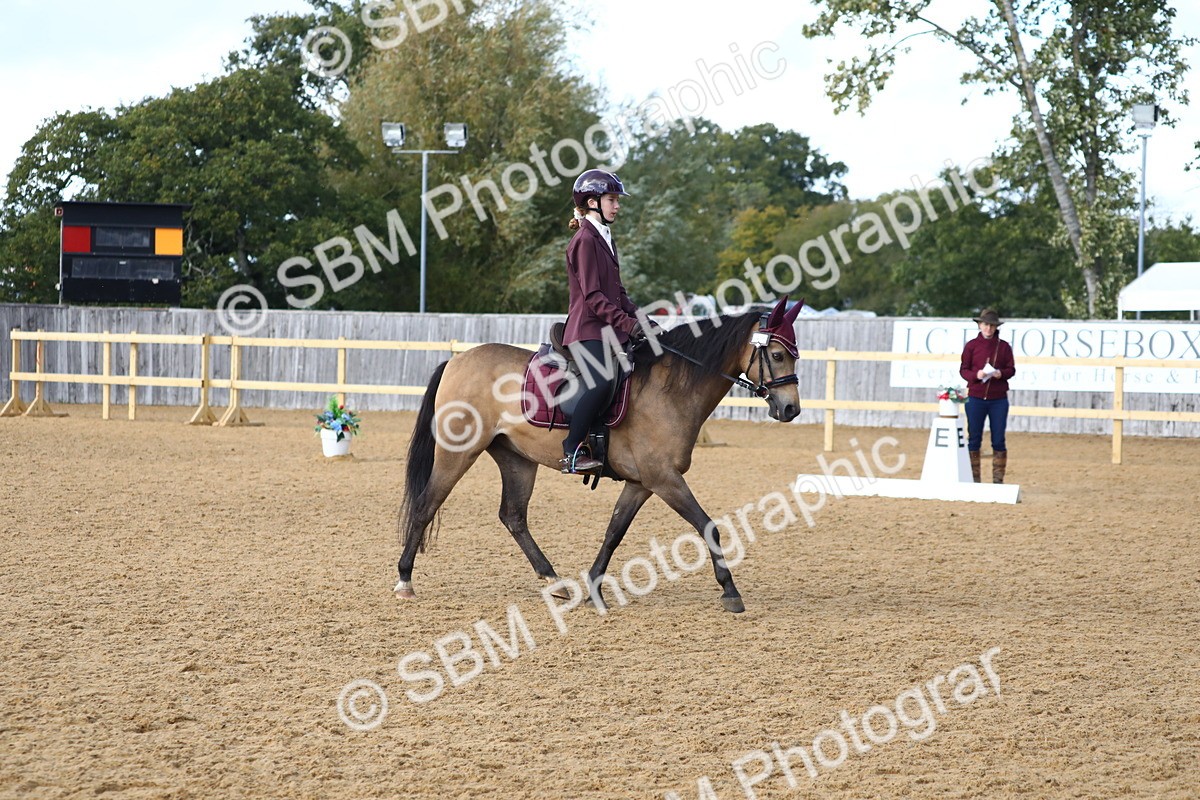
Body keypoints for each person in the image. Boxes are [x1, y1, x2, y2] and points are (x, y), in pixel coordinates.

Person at [558, 168, 644, 474]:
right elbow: (593, 297)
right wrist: (627, 324)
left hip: (607, 328)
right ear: (592, 201)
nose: (617, 205)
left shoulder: (605, 238)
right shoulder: (584, 240)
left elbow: (618, 293)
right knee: (603, 381)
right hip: (587, 329)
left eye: (617, 200)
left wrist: (639, 319)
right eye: (611, 199)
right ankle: (571, 451)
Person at [959, 308, 1016, 483]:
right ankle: (974, 479)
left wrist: (1001, 373)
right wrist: (976, 375)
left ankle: (998, 480)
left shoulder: (1004, 346)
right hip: (976, 397)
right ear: (979, 325)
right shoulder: (971, 346)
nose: (988, 329)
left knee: (998, 439)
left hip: (998, 399)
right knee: (974, 438)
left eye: (991, 325)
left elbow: (1011, 369)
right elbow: (963, 370)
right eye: (985, 325)